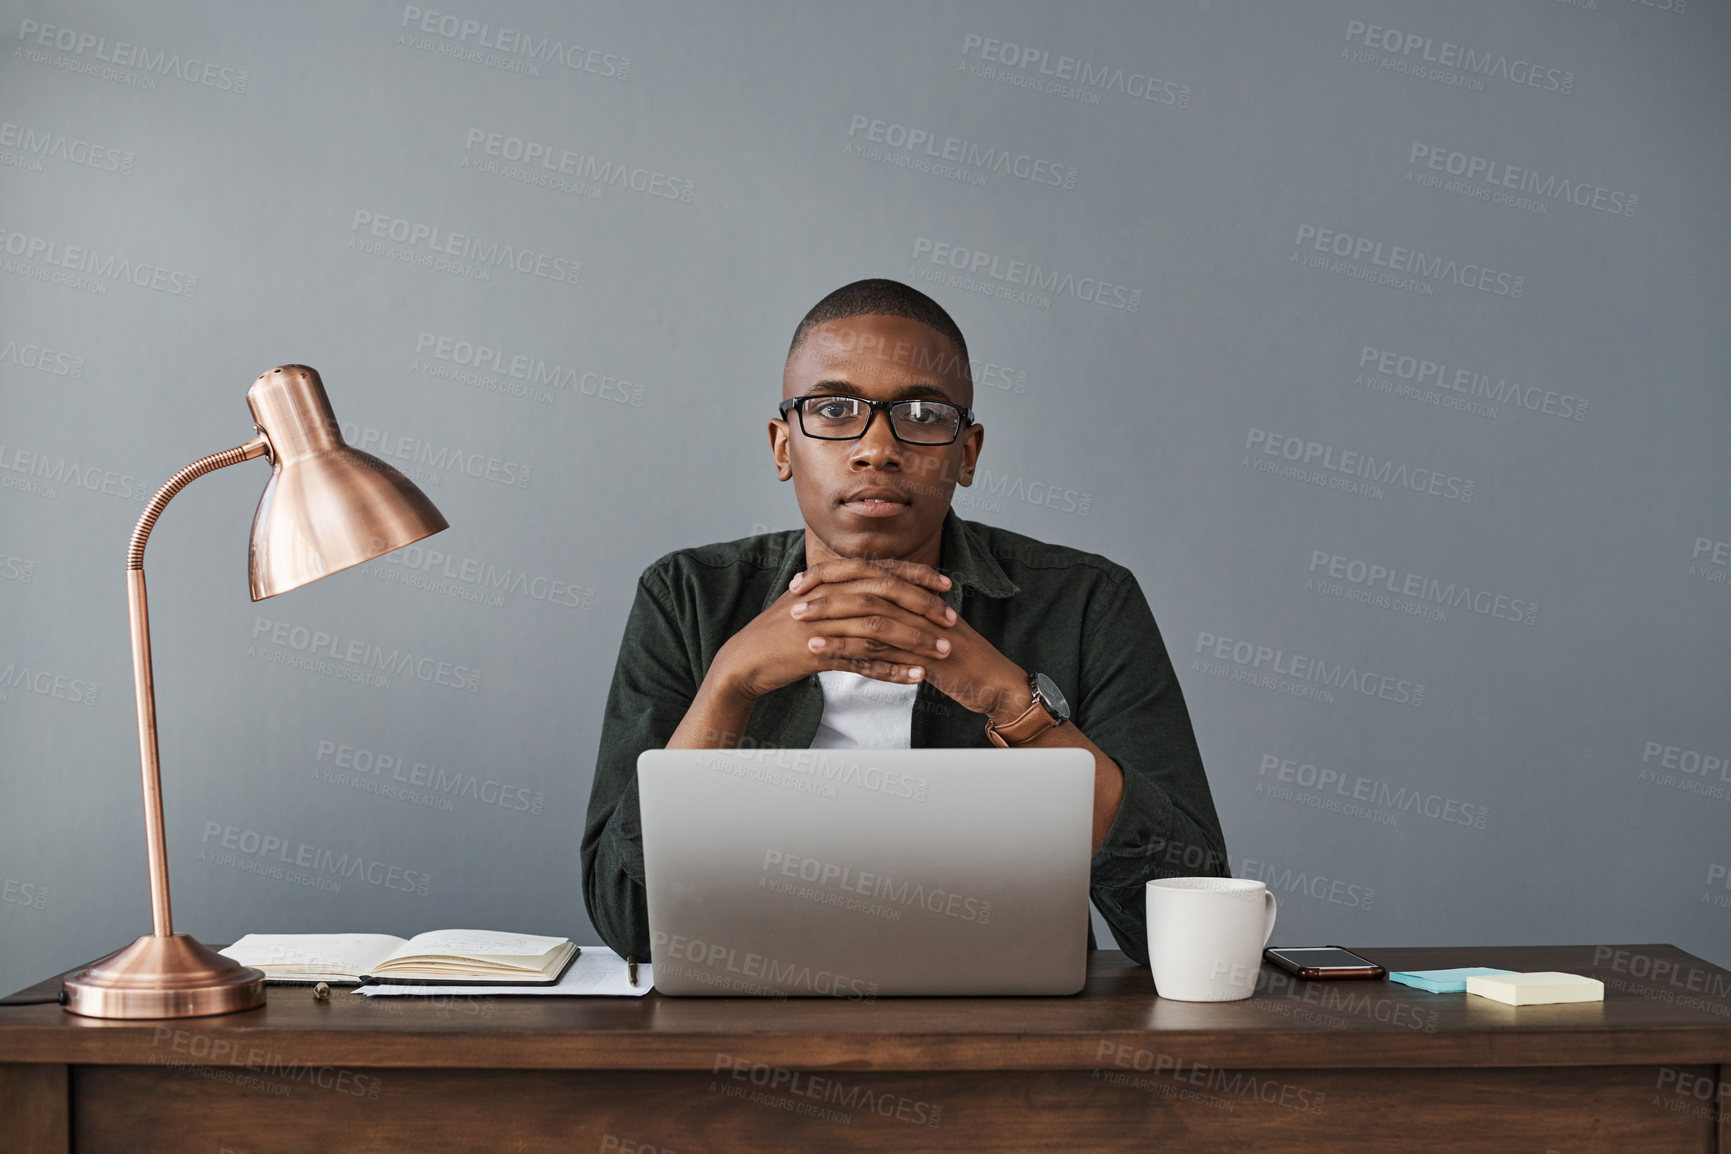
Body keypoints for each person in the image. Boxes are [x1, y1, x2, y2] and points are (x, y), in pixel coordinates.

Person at [581, 279, 1227, 967]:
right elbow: (629, 924)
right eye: (833, 409)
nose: (877, 449)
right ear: (781, 446)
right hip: (745, 1028)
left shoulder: (1087, 602)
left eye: (922, 413)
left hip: (1011, 1040)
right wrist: (728, 684)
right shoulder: (686, 598)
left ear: (967, 453)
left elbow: (1187, 924)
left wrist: (1011, 702)